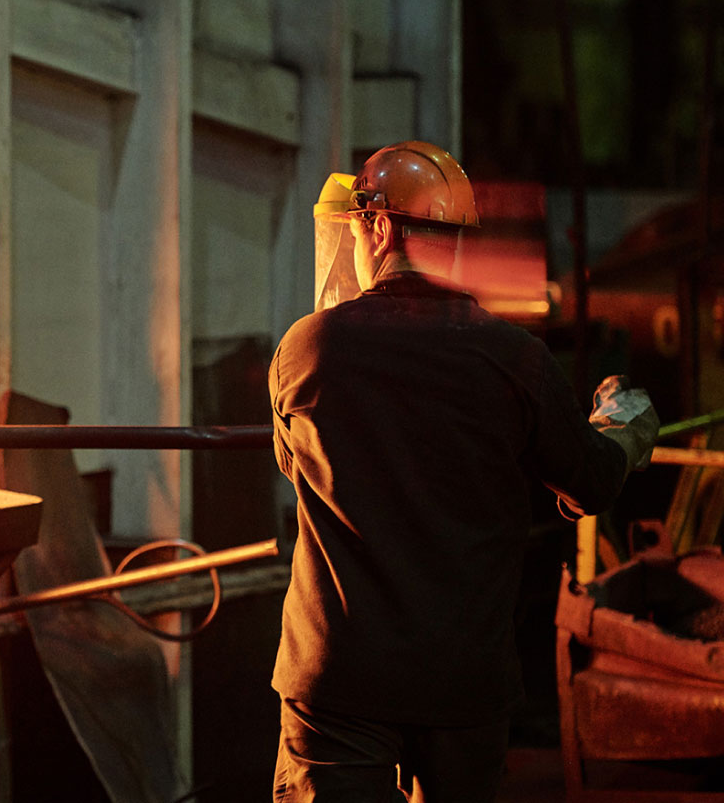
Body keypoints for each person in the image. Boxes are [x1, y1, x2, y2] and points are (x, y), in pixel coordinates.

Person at [268, 140, 660, 803]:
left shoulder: (309, 348)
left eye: (358, 229)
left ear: (381, 226)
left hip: (340, 676)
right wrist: (624, 428)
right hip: (461, 677)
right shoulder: (515, 360)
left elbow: (295, 463)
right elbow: (589, 480)